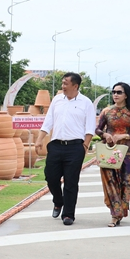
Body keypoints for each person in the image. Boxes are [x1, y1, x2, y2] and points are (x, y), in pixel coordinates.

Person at [34, 72, 96, 226]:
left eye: (66, 83)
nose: (63, 86)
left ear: (75, 86)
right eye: (62, 83)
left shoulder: (86, 103)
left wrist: (85, 146)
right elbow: (48, 122)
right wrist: (39, 139)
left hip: (75, 147)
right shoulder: (57, 100)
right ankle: (58, 201)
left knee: (71, 182)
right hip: (56, 145)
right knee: (51, 177)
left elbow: (90, 128)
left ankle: (68, 215)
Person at [95, 82, 130, 227]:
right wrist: (105, 134)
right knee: (110, 181)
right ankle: (115, 215)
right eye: (113, 92)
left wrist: (124, 136)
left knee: (125, 182)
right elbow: (97, 129)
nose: (115, 94)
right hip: (108, 151)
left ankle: (121, 210)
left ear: (126, 95)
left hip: (126, 153)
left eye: (119, 92)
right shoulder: (106, 111)